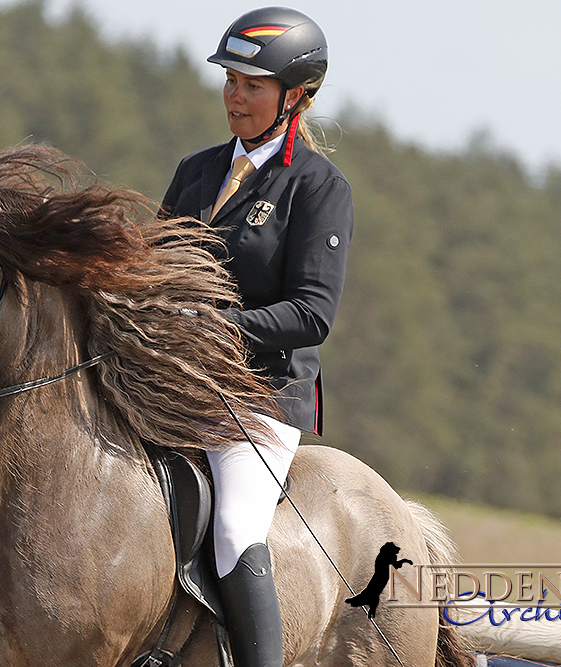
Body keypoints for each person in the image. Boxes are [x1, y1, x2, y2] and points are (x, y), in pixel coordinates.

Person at [160, 7, 354, 667]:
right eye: (230, 81)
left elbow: (313, 311)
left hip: (259, 396)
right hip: (169, 382)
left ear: (293, 96)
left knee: (236, 528)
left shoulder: (320, 188)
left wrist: (218, 323)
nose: (235, 96)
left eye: (253, 85)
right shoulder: (195, 171)